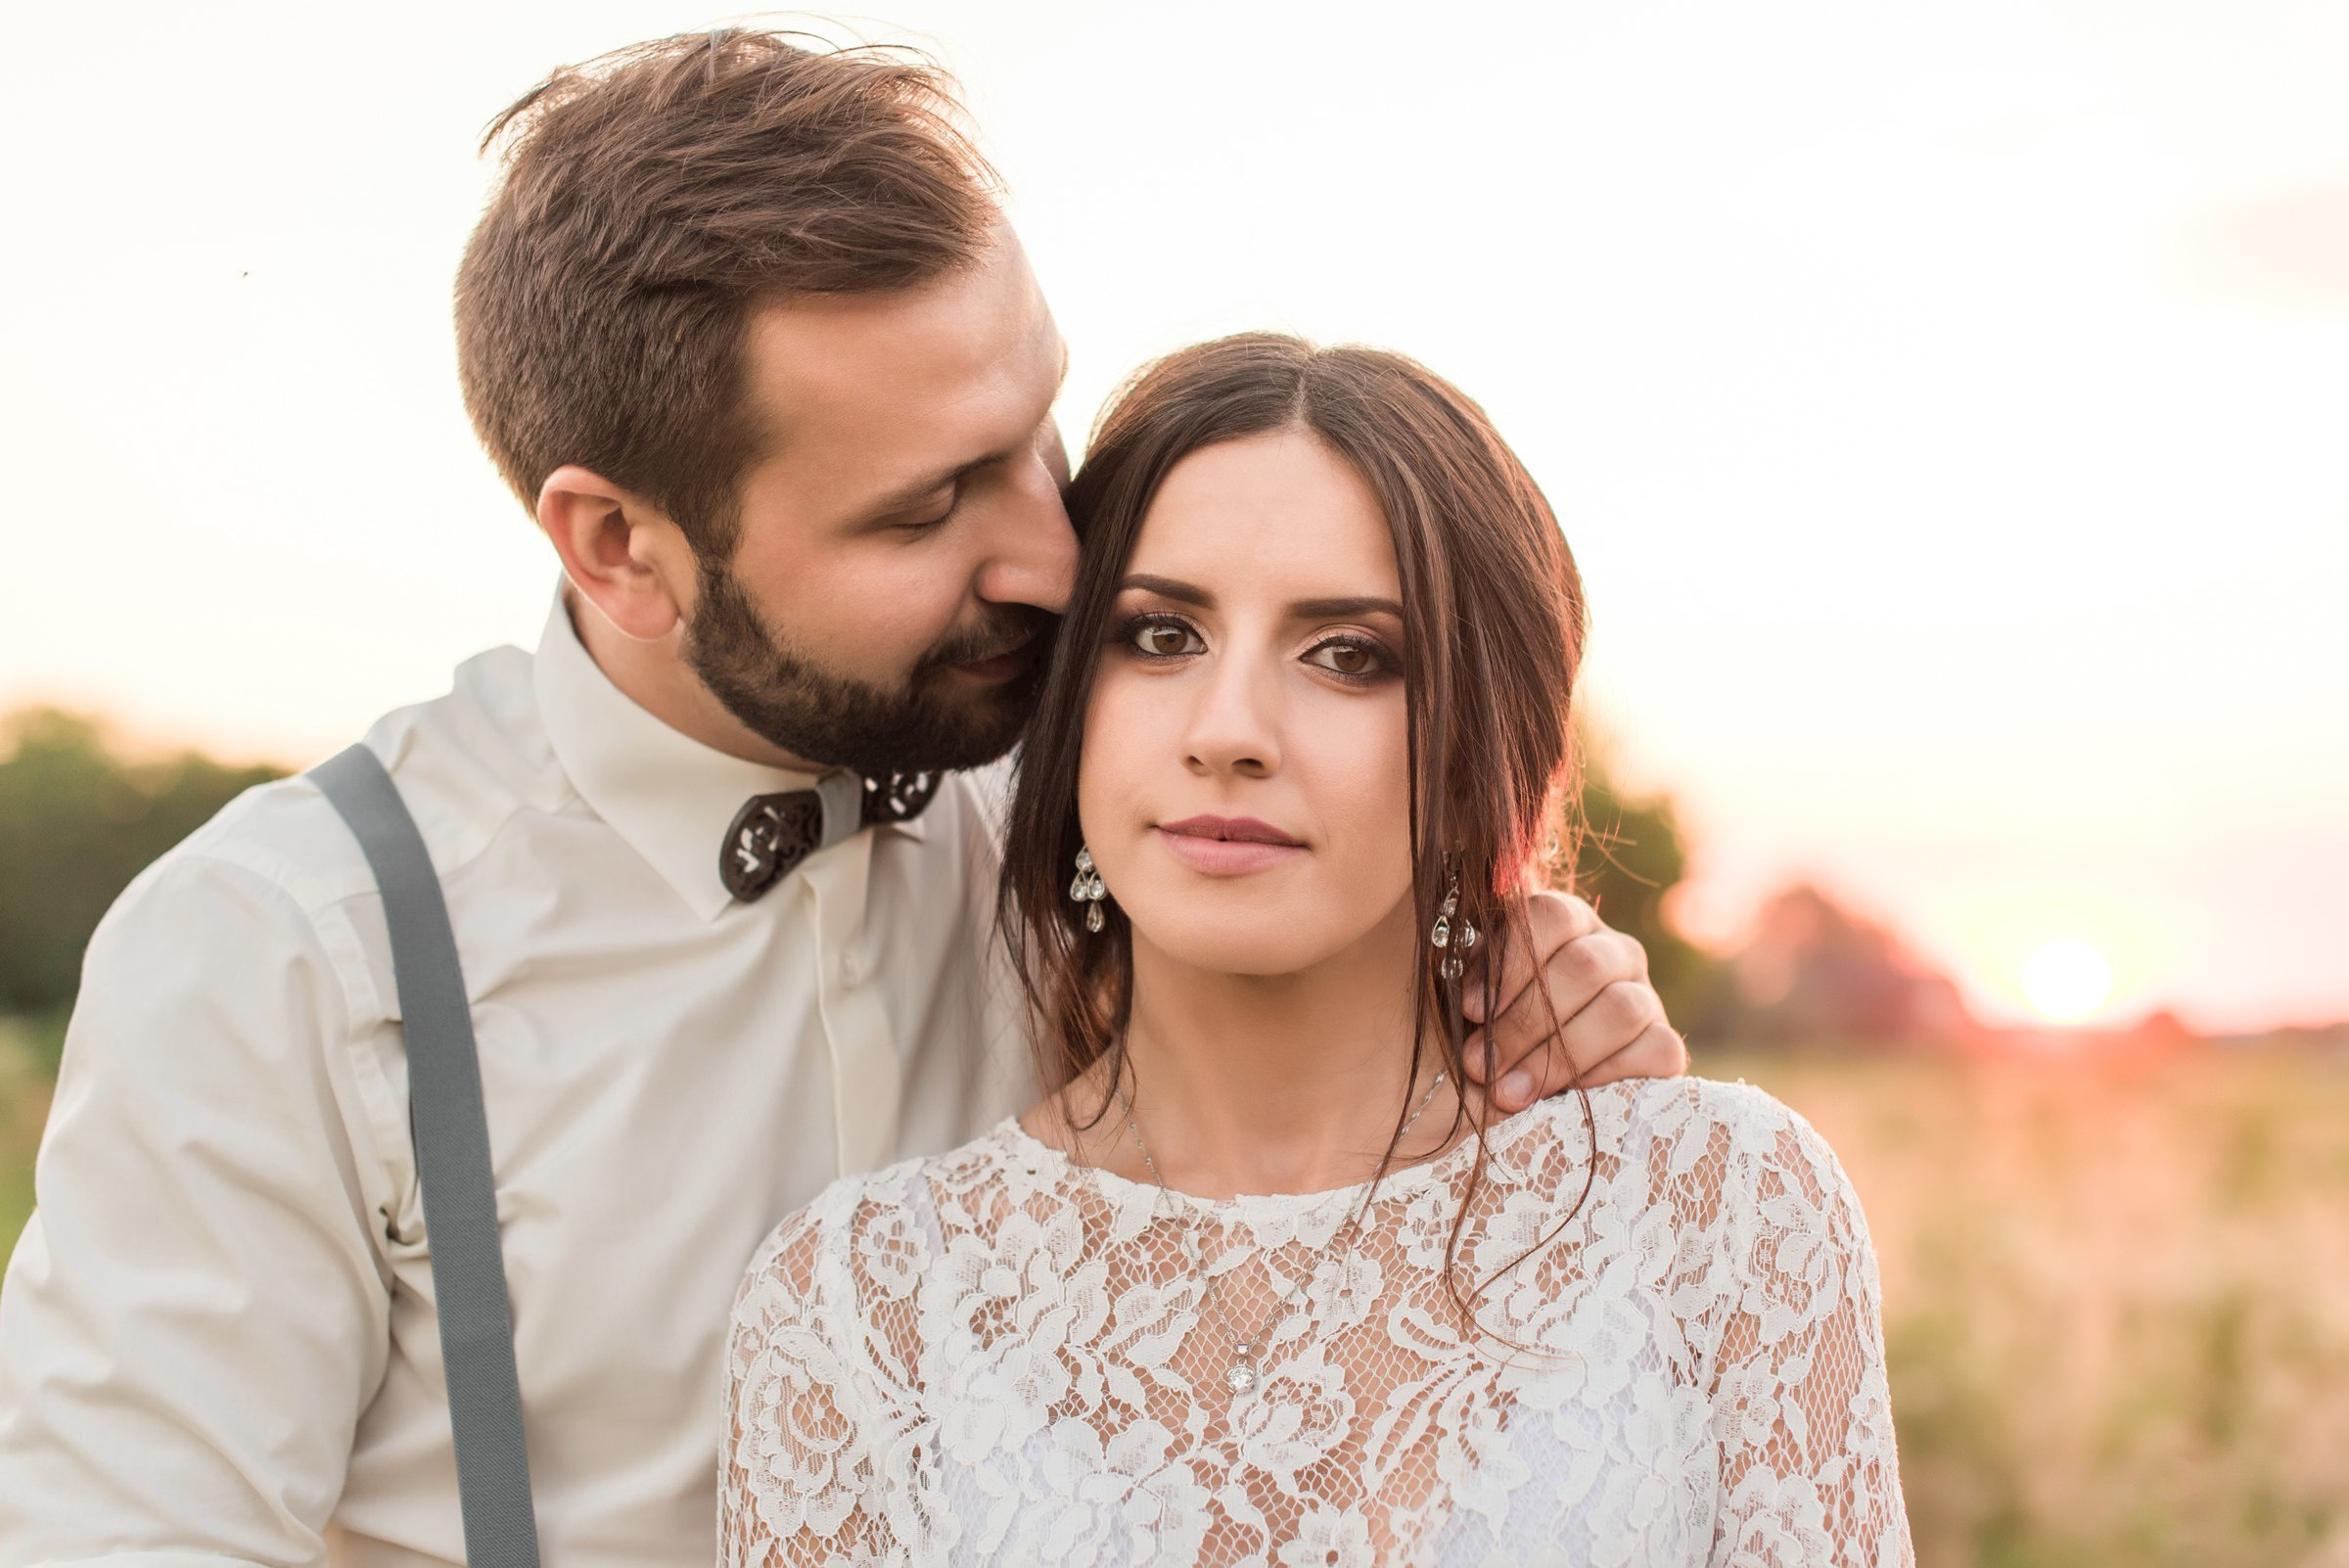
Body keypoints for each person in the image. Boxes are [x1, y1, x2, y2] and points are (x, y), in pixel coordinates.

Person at [0, 31, 1684, 1568]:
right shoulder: (286, 957)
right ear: (619, 548)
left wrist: (1513, 970)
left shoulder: (1114, 809)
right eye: (923, 509)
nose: (1046, 556)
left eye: (1035, 434)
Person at [720, 334, 1912, 1566]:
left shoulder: (1723, 1212)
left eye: (1349, 655)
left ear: (1483, 752)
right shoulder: (859, 1305)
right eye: (1161, 636)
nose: (1228, 730)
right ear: (1073, 706)